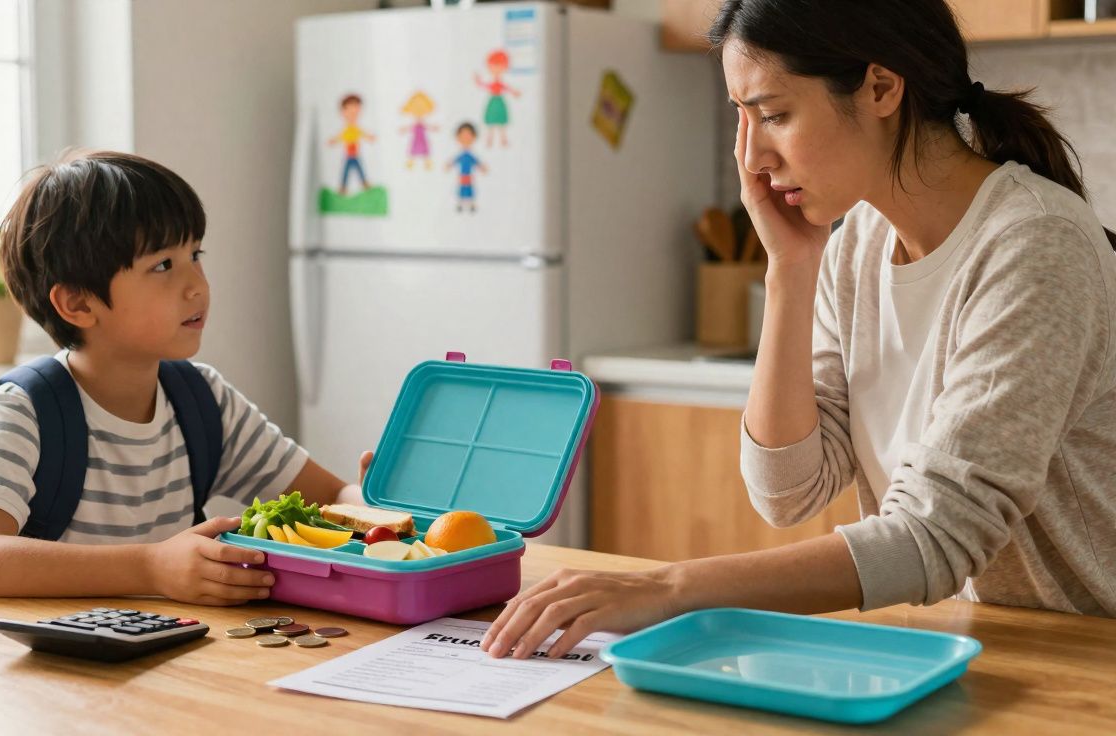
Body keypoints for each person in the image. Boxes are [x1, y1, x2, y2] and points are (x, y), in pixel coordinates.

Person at [482, 0, 1116, 661]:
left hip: (1086, 655)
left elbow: (933, 536)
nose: (752, 157)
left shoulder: (1034, 247)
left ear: (880, 87)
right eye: (743, 119)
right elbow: (787, 490)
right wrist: (791, 267)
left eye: (775, 115)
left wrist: (670, 586)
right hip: (962, 647)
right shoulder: (860, 244)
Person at [0, 150, 370, 606]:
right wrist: (151, 568)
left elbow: (329, 496)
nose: (198, 286)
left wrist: (373, 499)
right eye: (163, 266)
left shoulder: (202, 400)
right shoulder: (24, 410)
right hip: (54, 669)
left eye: (195, 254)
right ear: (78, 304)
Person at [329, 94, 376, 194]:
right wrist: (334, 140)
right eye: (350, 111)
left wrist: (369, 137)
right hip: (349, 154)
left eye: (356, 111)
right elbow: (340, 136)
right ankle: (345, 186)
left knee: (358, 169)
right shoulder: (347, 130)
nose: (354, 114)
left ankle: (361, 184)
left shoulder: (356, 129)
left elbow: (363, 134)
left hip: (355, 153)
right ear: (343, 112)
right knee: (348, 170)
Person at [474, 50, 520, 148]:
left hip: (499, 101)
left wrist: (514, 92)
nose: (495, 69)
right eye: (493, 66)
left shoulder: (500, 83)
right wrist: (478, 81)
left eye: (499, 66)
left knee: (501, 122)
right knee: (491, 122)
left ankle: (503, 140)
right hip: (493, 101)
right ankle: (489, 140)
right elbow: (485, 85)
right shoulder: (492, 82)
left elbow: (506, 87)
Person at [446, 122, 487, 213]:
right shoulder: (462, 155)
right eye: (462, 136)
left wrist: (482, 167)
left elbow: (476, 162)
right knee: (462, 190)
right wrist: (449, 165)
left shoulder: (470, 155)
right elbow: (455, 161)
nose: (465, 139)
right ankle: (460, 204)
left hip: (468, 176)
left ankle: (471, 204)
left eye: (468, 136)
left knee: (469, 190)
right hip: (462, 176)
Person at [400, 91, 439, 170]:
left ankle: (427, 163)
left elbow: (429, 127)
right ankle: (411, 163)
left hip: (422, 139)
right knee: (413, 150)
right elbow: (409, 128)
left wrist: (434, 128)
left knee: (425, 150)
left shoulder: (422, 124)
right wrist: (403, 129)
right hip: (416, 140)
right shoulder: (415, 125)